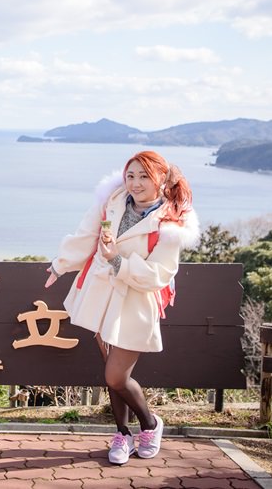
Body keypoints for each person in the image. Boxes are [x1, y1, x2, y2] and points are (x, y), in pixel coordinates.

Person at [45, 150, 199, 465]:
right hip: (101, 296)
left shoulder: (170, 224)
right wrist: (60, 265)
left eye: (144, 176)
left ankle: (150, 424)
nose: (136, 183)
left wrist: (118, 260)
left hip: (135, 303)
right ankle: (122, 434)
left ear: (161, 180)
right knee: (109, 371)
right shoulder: (112, 200)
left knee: (116, 376)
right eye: (131, 175)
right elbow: (87, 235)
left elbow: (160, 275)